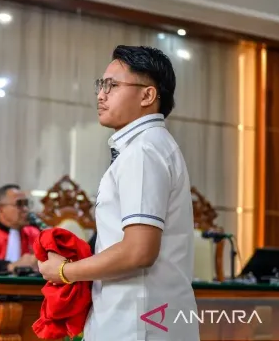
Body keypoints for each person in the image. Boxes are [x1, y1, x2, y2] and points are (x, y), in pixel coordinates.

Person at [38, 45, 199, 341]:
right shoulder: (150, 145)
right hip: (144, 317)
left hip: (138, 323)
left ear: (147, 96)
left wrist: (64, 271)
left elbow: (139, 250)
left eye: (112, 85)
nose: (101, 95)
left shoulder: (143, 151)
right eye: (101, 85)